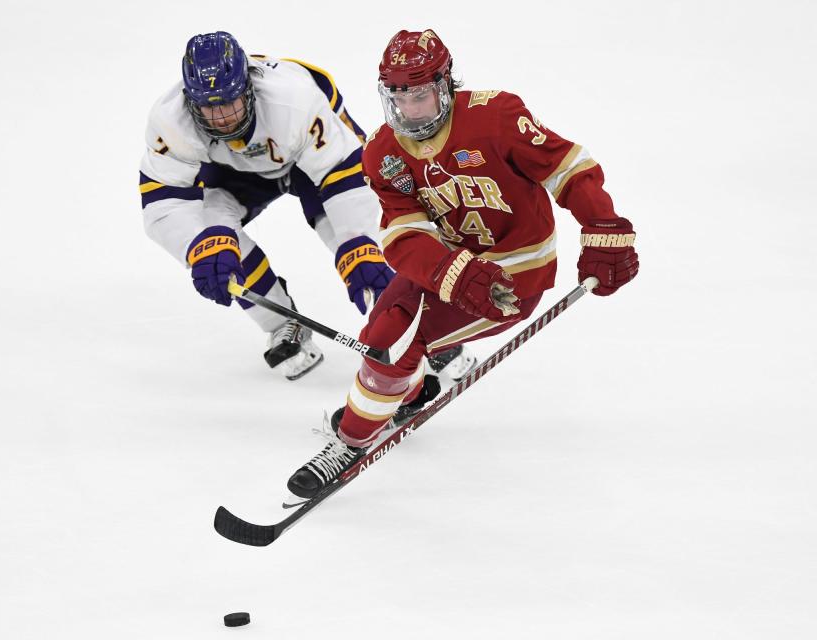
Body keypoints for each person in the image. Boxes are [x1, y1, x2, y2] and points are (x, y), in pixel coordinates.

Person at [287, 29, 639, 497]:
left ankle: (351, 441)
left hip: (512, 278)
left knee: (391, 342)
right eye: (398, 97)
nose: (410, 110)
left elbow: (567, 167)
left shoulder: (495, 117)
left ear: (445, 84)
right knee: (383, 331)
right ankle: (405, 395)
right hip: (449, 268)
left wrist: (603, 225)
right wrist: (453, 273)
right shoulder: (382, 153)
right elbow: (403, 233)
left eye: (421, 95)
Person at [138, 31, 396, 380]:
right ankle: (282, 323)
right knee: (215, 235)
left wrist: (361, 241)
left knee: (354, 240)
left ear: (249, 87)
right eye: (208, 106)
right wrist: (197, 246)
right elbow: (161, 201)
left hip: (311, 160)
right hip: (233, 171)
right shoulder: (170, 120)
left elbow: (347, 174)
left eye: (228, 102)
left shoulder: (295, 101)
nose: (221, 118)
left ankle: (408, 319)